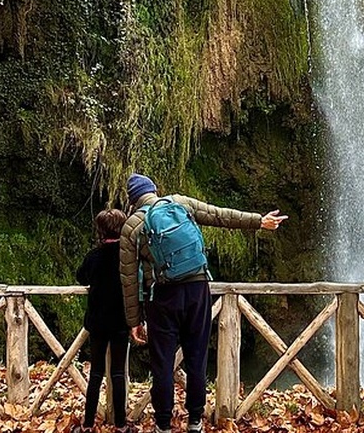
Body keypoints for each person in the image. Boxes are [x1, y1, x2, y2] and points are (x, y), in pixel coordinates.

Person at [119, 173, 287, 433]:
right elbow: (219, 215)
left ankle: (163, 424)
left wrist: (134, 321)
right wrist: (258, 221)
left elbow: (129, 279)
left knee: (162, 363)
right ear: (154, 189)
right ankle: (195, 420)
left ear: (133, 200)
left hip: (161, 297)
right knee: (197, 357)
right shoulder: (180, 203)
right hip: (197, 289)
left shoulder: (131, 227)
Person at [75, 209, 133, 433]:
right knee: (118, 373)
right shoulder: (127, 257)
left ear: (100, 230)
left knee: (96, 373)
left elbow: (81, 277)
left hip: (97, 321)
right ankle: (121, 424)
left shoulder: (94, 256)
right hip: (120, 321)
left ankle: (88, 423)